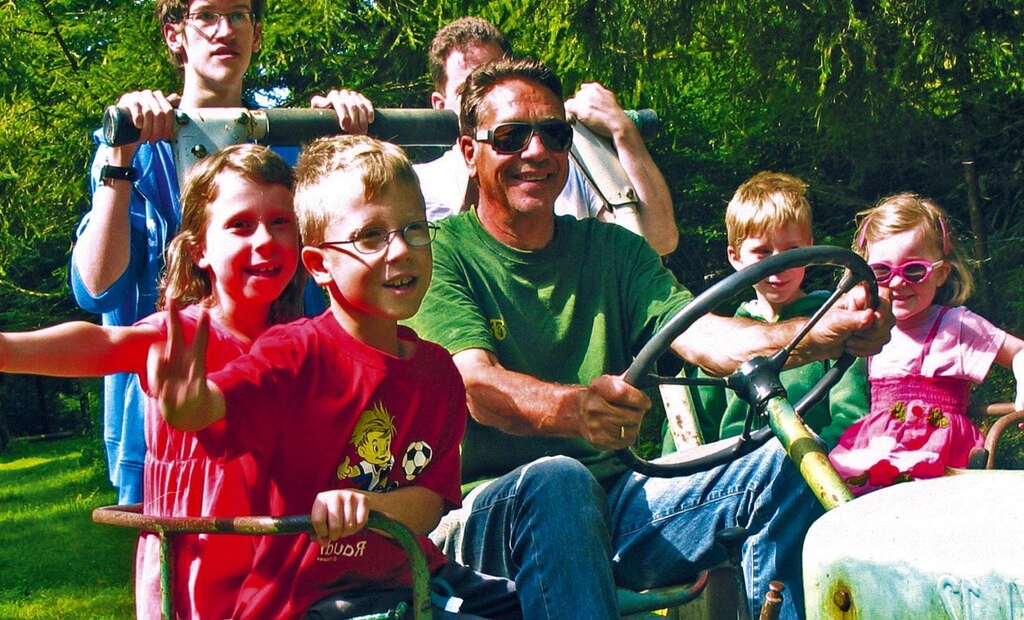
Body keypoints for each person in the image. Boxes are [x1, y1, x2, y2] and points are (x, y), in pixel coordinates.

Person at [404, 57, 893, 619]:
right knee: (560, 481)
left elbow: (704, 337)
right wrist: (576, 410)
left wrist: (824, 333)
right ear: (470, 152)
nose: (536, 151)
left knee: (782, 464)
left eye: (554, 135)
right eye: (512, 137)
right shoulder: (441, 252)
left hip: (615, 504)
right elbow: (476, 385)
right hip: (484, 518)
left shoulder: (615, 251)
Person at [149, 135, 521, 620]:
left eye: (414, 228)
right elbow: (217, 406)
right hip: (312, 599)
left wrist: (366, 505)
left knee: (537, 602)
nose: (401, 250)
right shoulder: (294, 355)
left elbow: (430, 504)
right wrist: (186, 404)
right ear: (319, 265)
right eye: (371, 236)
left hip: (414, 576)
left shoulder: (436, 373)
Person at [69, 0, 373, 504]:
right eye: (206, 15)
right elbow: (97, 289)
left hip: (283, 409)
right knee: (175, 557)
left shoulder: (291, 145)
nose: (224, 30)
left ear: (256, 34)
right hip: (163, 420)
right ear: (174, 35)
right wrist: (120, 155)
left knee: (285, 555)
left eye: (239, 16)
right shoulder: (134, 148)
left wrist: (345, 140)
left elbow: (349, 257)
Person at [1, 144, 305, 619]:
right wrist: (7, 349)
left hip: (280, 567)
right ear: (199, 250)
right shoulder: (178, 336)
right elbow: (101, 344)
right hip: (193, 571)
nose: (265, 239)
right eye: (241, 225)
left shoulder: (303, 342)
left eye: (280, 222)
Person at [413, 16, 679, 255]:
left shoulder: (563, 163)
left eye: (495, 80)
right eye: (466, 90)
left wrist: (623, 131)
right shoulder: (418, 184)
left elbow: (659, 241)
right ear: (440, 104)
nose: (486, 98)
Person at [829, 193, 1024, 494]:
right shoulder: (868, 328)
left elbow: (1019, 352)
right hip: (875, 448)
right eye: (882, 272)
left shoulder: (956, 325)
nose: (898, 282)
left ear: (940, 274)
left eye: (914, 271)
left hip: (940, 452)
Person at [667, 171, 869, 453]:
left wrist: (817, 461)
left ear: (810, 251)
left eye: (792, 251)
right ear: (735, 257)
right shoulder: (722, 343)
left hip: (817, 465)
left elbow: (852, 417)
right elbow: (688, 435)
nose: (778, 266)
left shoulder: (832, 324)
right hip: (737, 471)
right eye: (762, 252)